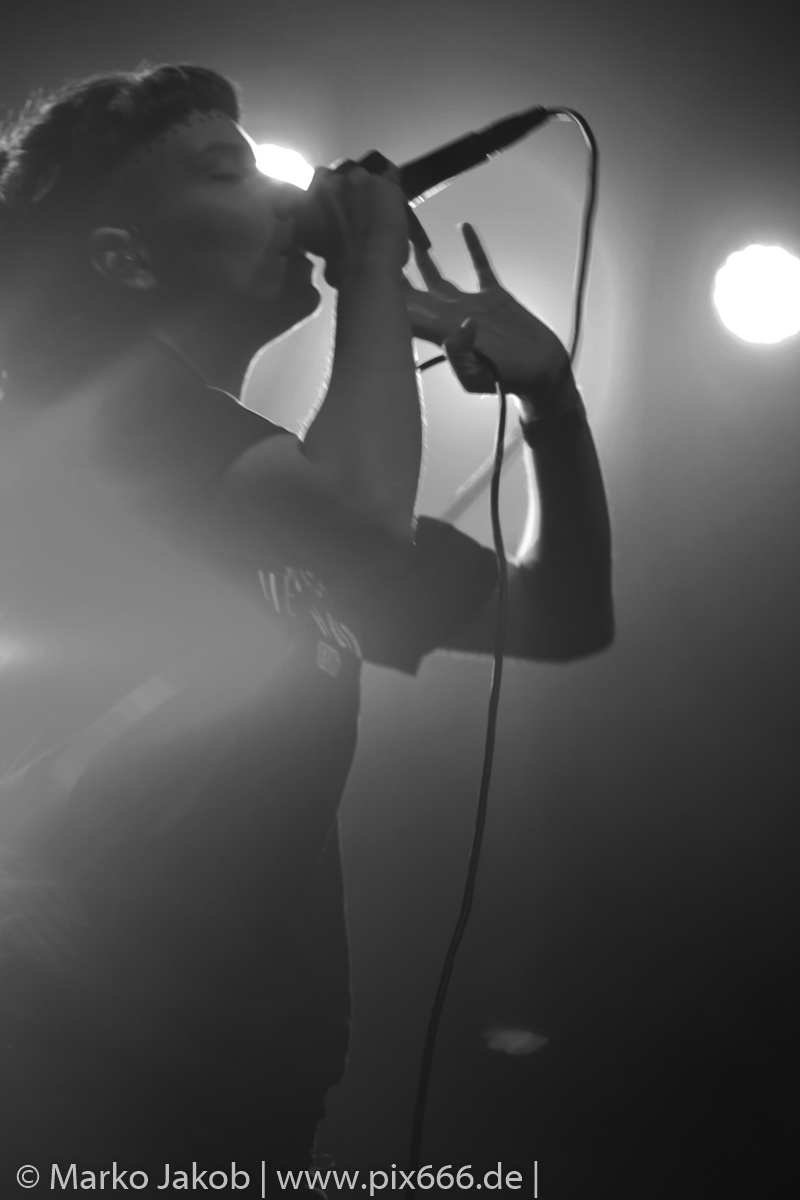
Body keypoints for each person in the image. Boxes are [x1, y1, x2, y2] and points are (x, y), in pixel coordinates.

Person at [0, 64, 613, 1192]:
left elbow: (561, 615)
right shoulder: (100, 422)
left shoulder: (265, 484)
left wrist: (552, 403)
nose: (291, 189)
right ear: (123, 257)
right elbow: (361, 517)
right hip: (74, 1088)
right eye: (225, 171)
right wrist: (371, 262)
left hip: (245, 1104)